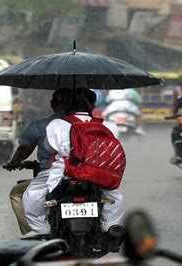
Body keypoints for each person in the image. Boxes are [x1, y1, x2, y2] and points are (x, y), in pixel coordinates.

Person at [22, 88, 124, 237]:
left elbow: (49, 148)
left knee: (32, 194)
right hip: (97, 173)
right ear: (93, 105)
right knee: (114, 196)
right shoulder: (109, 126)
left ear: (68, 105)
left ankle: (41, 229)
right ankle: (109, 225)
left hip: (64, 171)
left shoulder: (56, 124)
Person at [4, 88, 69, 235]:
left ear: (52, 104)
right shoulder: (86, 125)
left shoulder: (40, 126)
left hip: (49, 175)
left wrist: (13, 163)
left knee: (17, 193)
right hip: (84, 176)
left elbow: (23, 150)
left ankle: (31, 233)